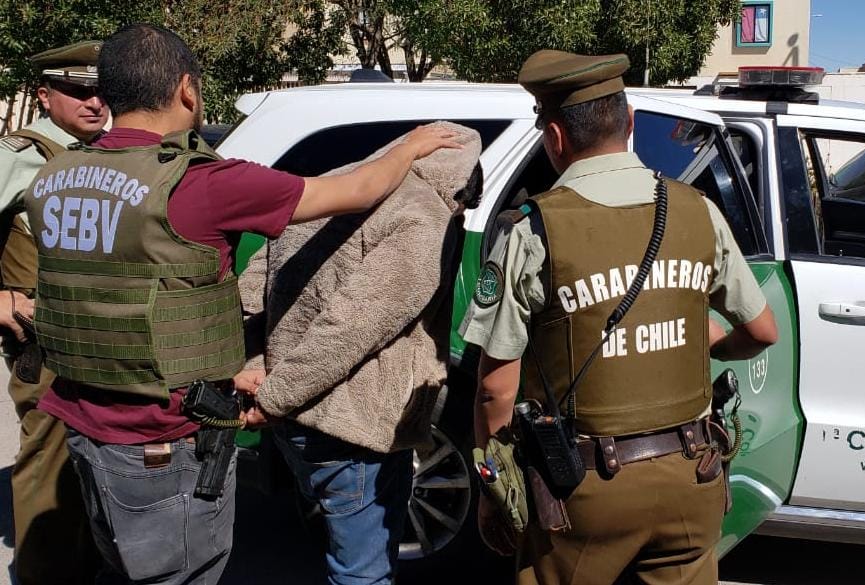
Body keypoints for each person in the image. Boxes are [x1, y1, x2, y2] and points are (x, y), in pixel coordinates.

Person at [22, 23, 458, 585]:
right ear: (186, 89)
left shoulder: (56, 176)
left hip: (82, 424)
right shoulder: (203, 183)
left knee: (122, 566)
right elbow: (357, 191)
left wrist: (225, 368)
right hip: (164, 442)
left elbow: (130, 291)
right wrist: (413, 145)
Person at [460, 50, 779, 585]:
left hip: (581, 493)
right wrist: (705, 343)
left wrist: (497, 494)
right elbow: (761, 331)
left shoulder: (533, 232)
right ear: (630, 124)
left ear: (555, 139)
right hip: (692, 474)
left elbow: (495, 391)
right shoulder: (697, 210)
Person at [236, 122, 482, 585]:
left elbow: (255, 285)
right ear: (461, 186)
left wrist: (258, 372)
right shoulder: (423, 219)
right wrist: (274, 398)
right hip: (348, 424)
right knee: (362, 573)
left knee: (343, 550)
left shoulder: (338, 186)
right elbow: (349, 328)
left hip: (295, 415)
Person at [0, 40, 107, 585]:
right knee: (50, 468)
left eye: (100, 89)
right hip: (46, 345)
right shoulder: (20, 156)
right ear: (44, 96)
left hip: (111, 342)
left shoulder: (119, 152)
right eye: (77, 90)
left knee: (103, 470)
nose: (93, 101)